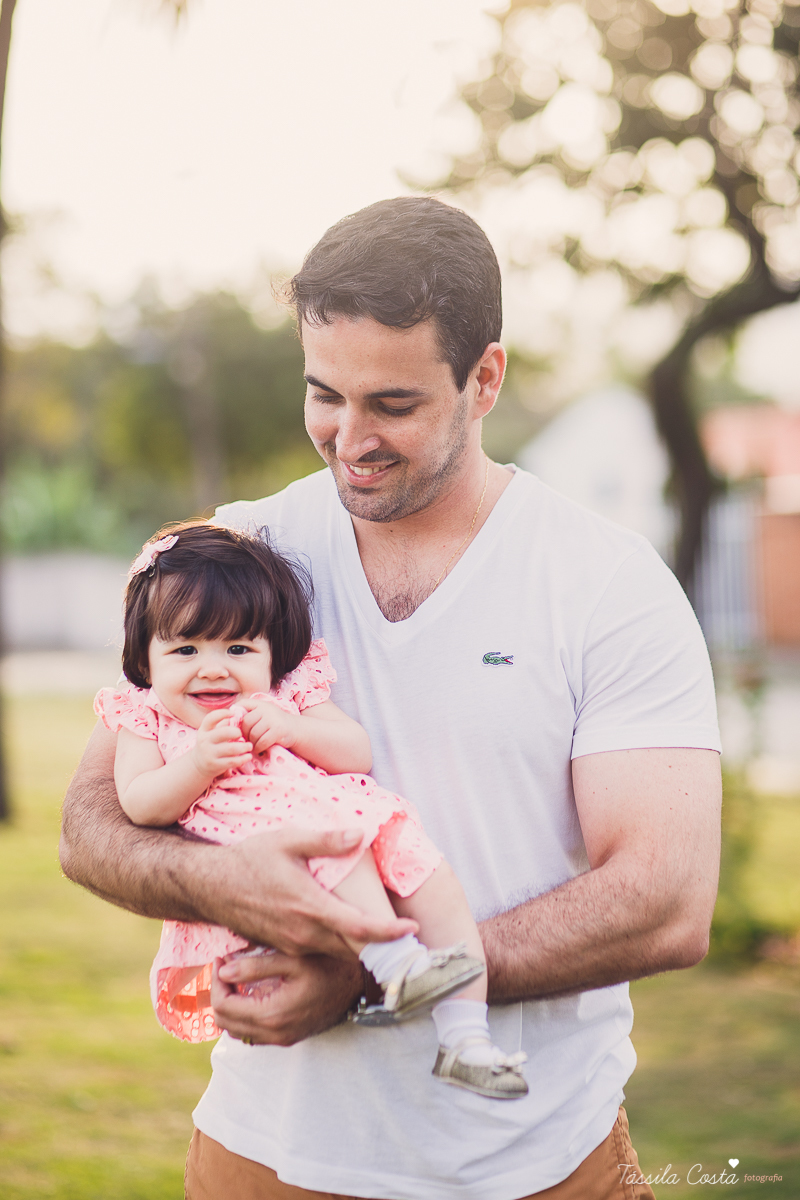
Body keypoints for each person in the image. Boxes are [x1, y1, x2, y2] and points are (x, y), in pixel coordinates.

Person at [60, 196, 722, 1200]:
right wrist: (218, 886)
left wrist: (369, 974)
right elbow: (93, 824)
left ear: (482, 377)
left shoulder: (602, 581)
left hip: (533, 1168)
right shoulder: (226, 563)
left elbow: (665, 903)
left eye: (393, 405)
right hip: (263, 1157)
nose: (348, 437)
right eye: (324, 393)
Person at [93, 520, 526, 1097]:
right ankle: (396, 966)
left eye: (239, 647)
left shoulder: (288, 693)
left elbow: (356, 752)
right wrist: (197, 764)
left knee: (435, 882)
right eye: (185, 649)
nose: (215, 667)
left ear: (273, 651)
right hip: (278, 853)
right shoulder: (148, 717)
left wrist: (293, 729)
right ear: (146, 661)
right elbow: (141, 803)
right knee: (339, 856)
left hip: (354, 820)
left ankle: (467, 1038)